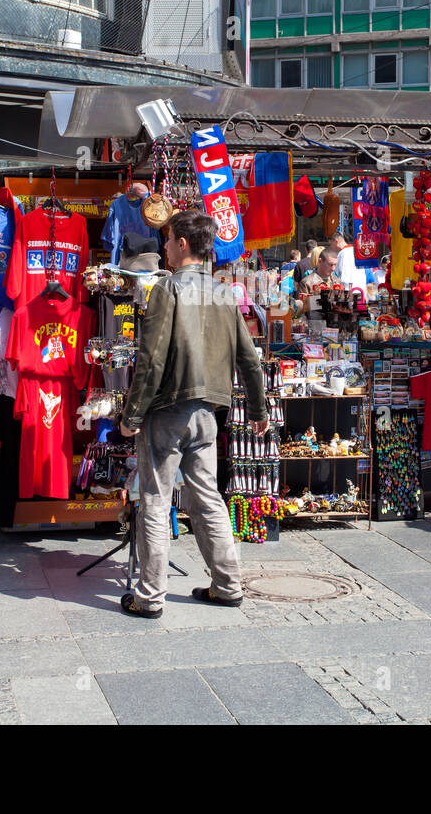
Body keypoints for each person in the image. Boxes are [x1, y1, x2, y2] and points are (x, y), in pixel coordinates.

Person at [118, 211, 268, 618]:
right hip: (207, 413)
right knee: (207, 499)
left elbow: (150, 360)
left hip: (167, 410)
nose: (163, 247)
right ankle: (228, 584)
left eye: (167, 240)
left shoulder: (168, 289)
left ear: (182, 243)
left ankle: (150, 597)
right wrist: (258, 407)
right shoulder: (223, 292)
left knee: (155, 498)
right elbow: (249, 358)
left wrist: (132, 414)